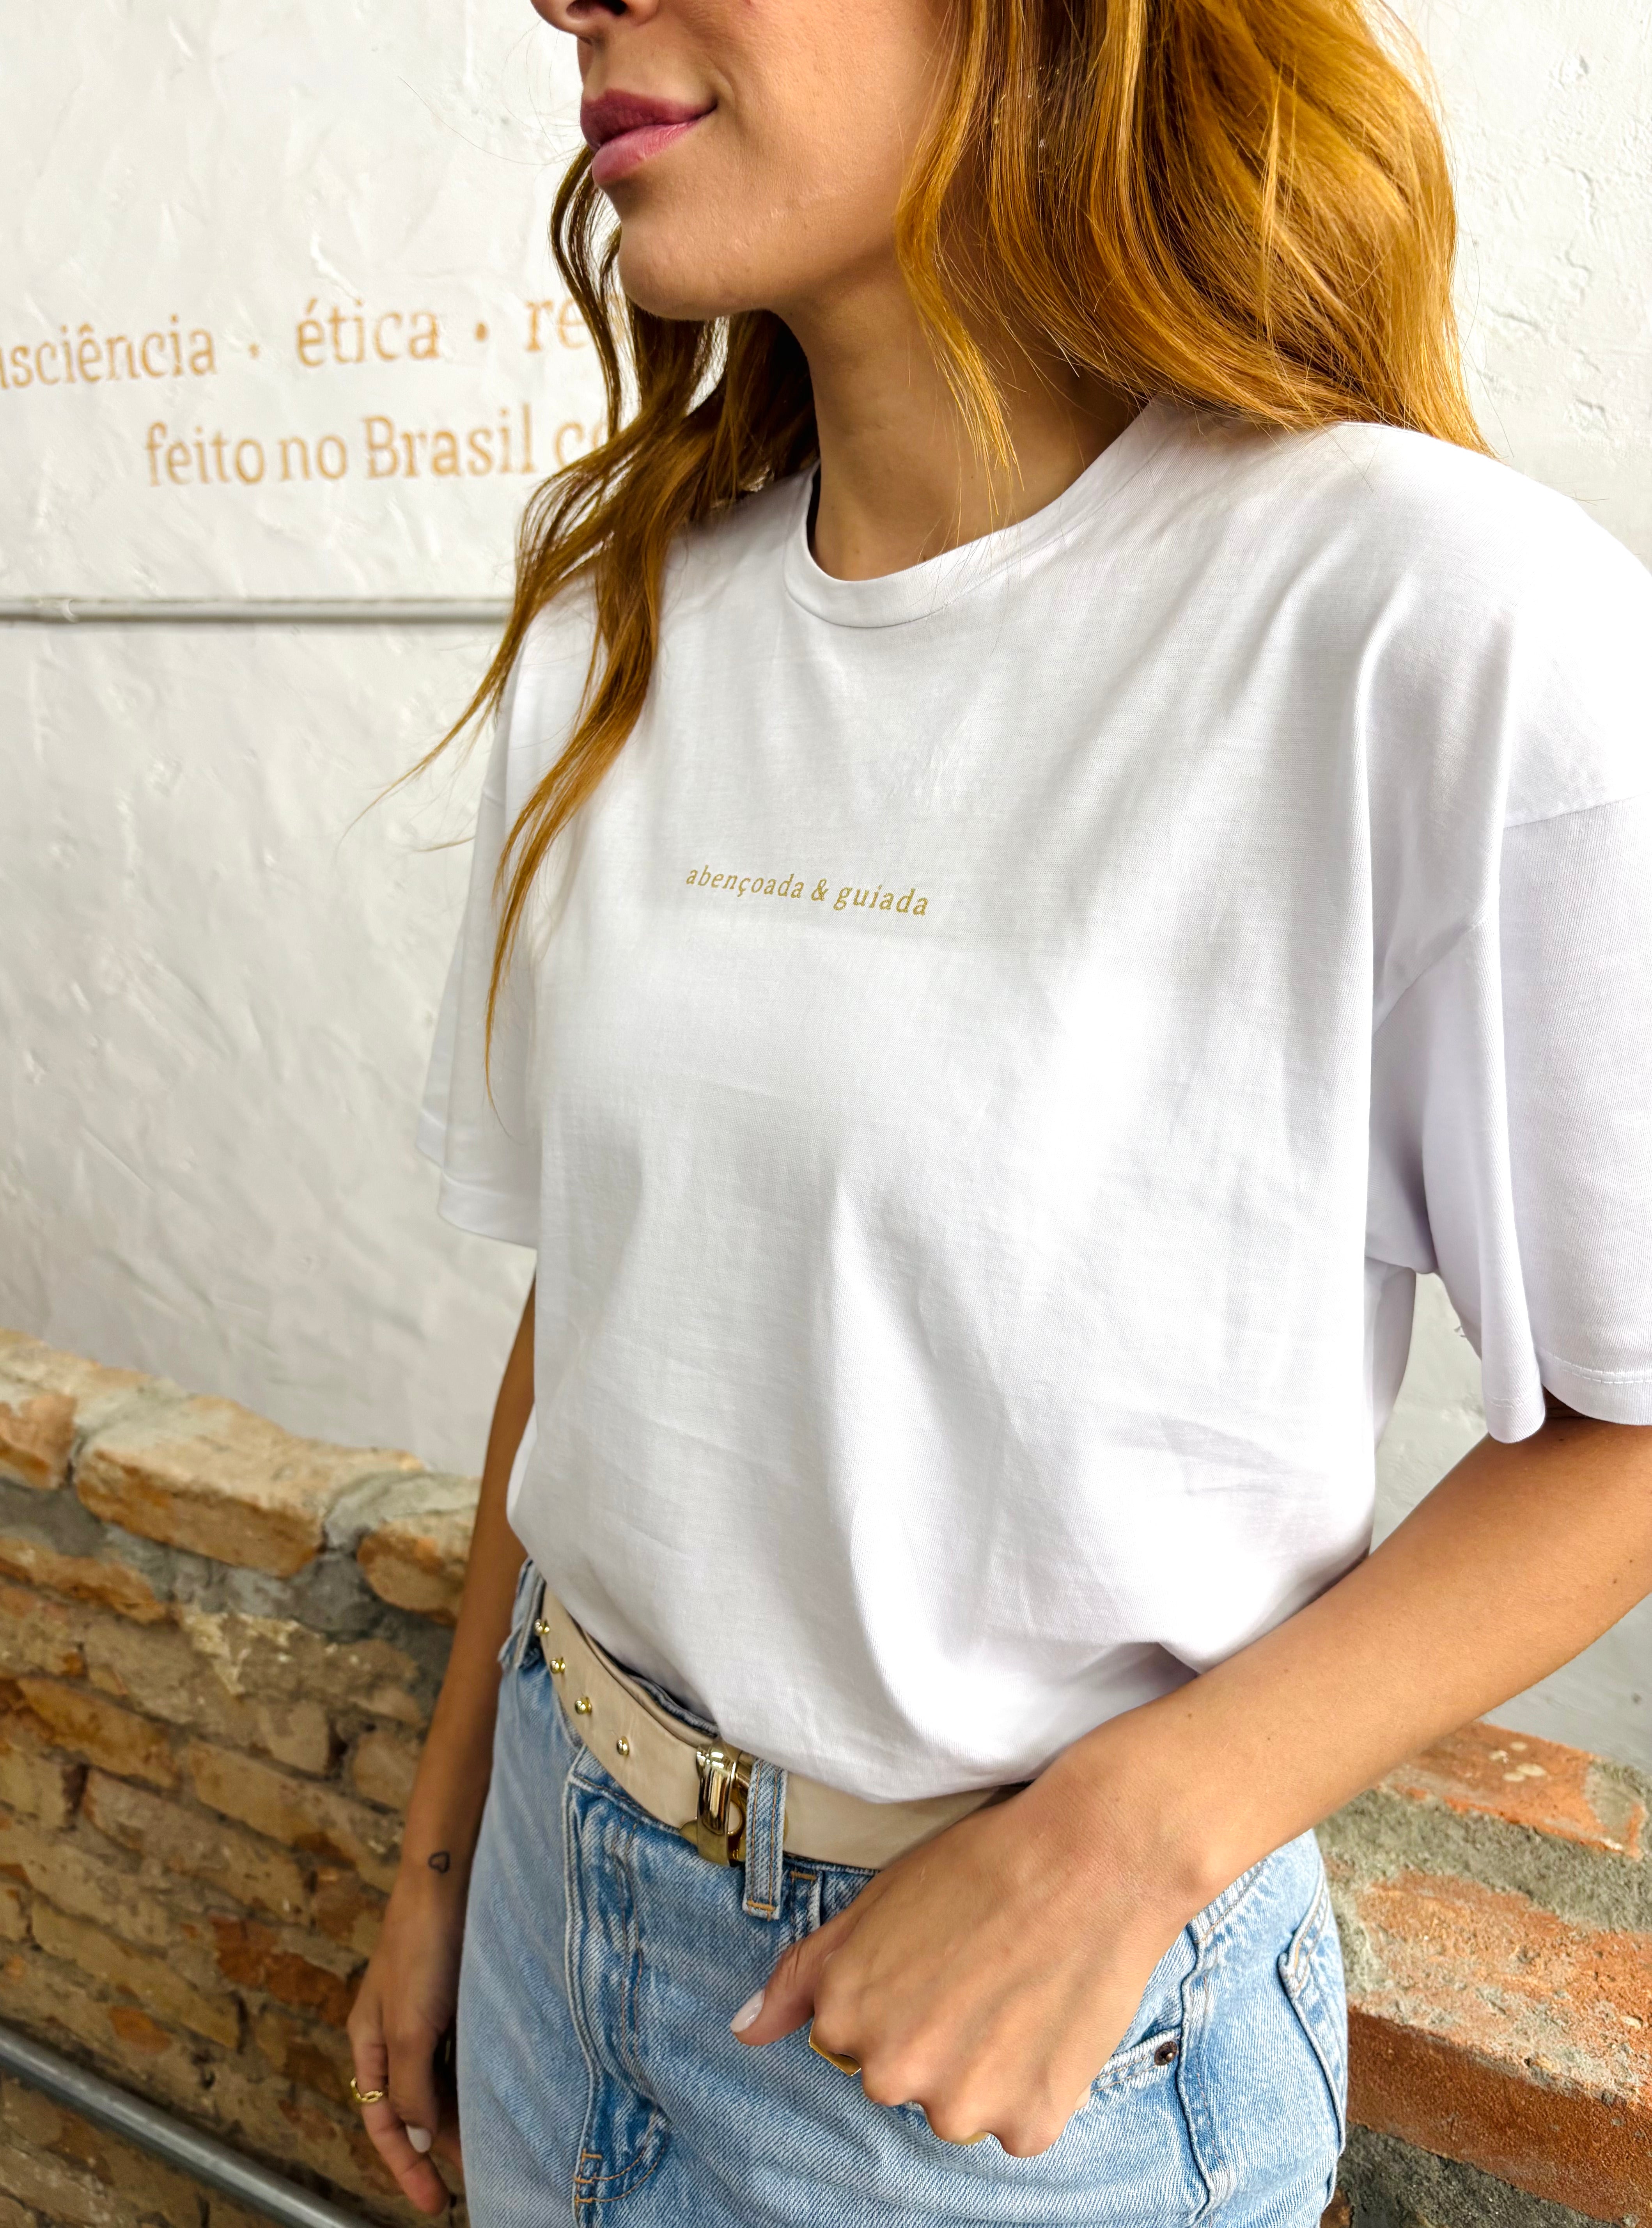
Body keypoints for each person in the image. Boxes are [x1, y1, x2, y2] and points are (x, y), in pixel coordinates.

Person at [346, 0, 1652, 2219]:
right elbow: (613, 1304)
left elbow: (1630, 1423)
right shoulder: (627, 615)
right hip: (559, 1917)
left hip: (992, 2070)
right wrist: (448, 1856)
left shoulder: (1435, 626)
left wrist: (1137, 1838)